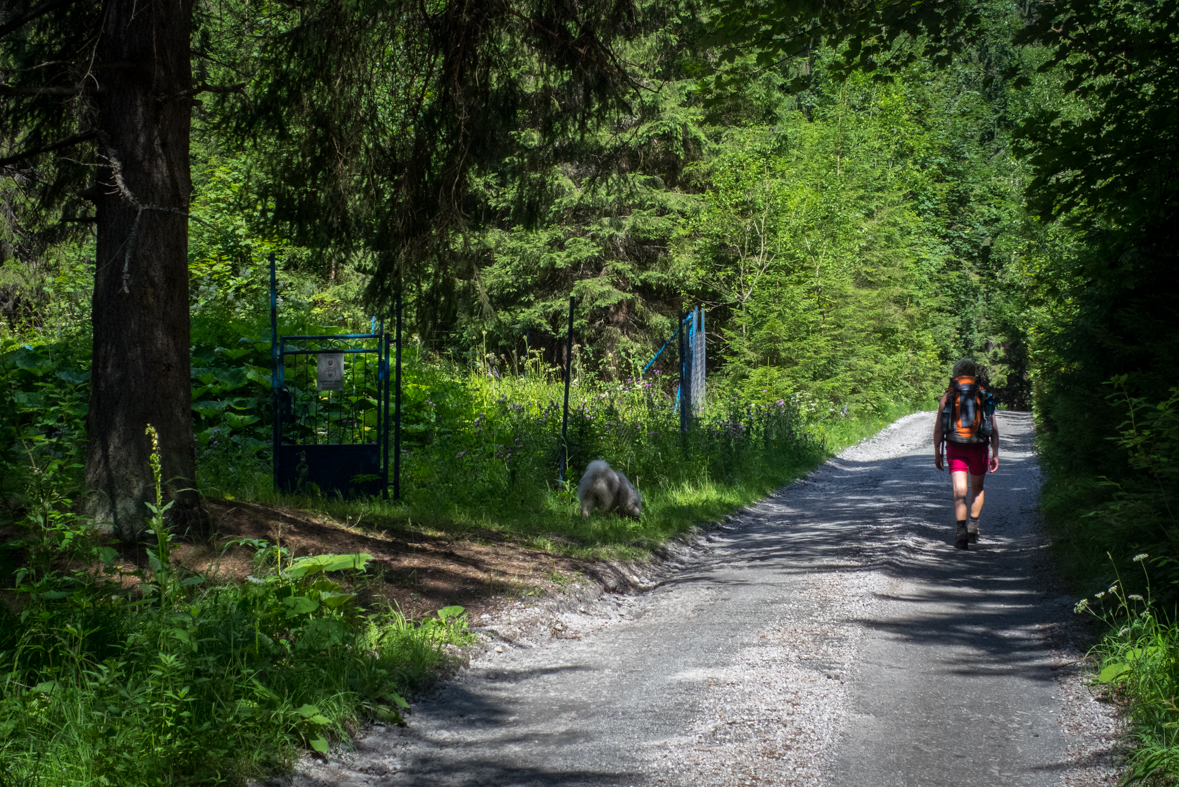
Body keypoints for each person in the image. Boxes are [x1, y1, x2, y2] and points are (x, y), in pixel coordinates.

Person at [933, 359, 999, 549]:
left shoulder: (948, 396)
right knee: (977, 488)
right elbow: (993, 428)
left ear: (956, 373)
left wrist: (937, 453)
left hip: (955, 446)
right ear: (973, 373)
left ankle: (961, 531)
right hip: (979, 446)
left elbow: (939, 429)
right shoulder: (984, 394)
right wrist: (995, 453)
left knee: (959, 491)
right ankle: (973, 526)